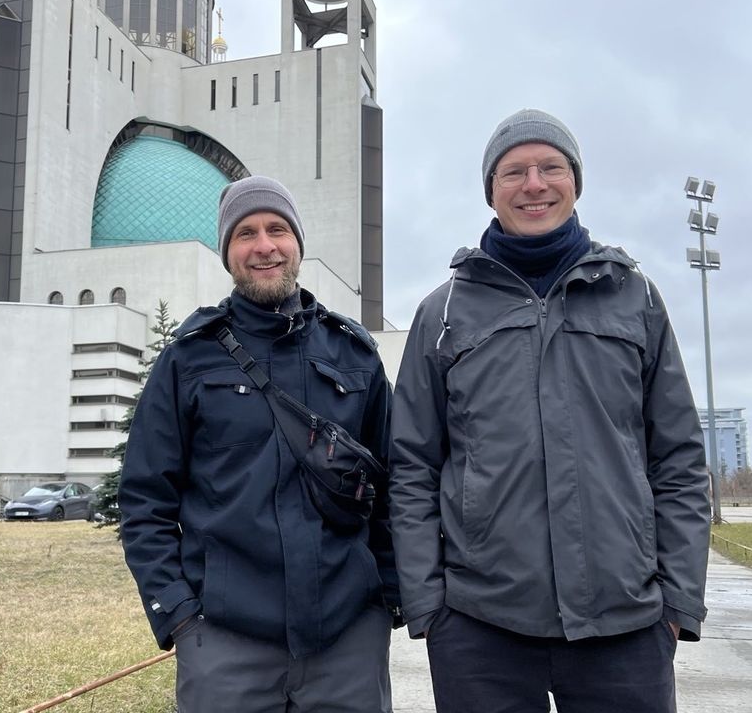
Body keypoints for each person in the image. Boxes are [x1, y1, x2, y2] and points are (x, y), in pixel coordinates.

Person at [389, 109, 710, 712]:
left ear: (574, 182)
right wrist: (429, 605)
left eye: (550, 167)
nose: (533, 183)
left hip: (626, 625)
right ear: (491, 190)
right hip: (481, 629)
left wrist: (677, 601)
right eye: (514, 171)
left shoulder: (634, 297)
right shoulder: (444, 312)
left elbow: (680, 459)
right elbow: (410, 465)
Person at [119, 175, 399, 713]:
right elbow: (144, 499)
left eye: (277, 228)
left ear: (297, 242)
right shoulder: (188, 359)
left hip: (347, 640)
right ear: (227, 251)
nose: (264, 245)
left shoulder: (355, 354)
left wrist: (385, 596)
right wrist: (178, 612)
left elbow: (392, 485)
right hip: (223, 641)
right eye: (245, 233)